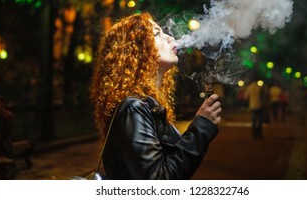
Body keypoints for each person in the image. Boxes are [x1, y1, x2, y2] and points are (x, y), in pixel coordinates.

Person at [90, 12, 222, 179]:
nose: (170, 38)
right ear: (137, 50)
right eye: (158, 34)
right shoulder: (133, 108)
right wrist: (201, 128)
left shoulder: (146, 107)